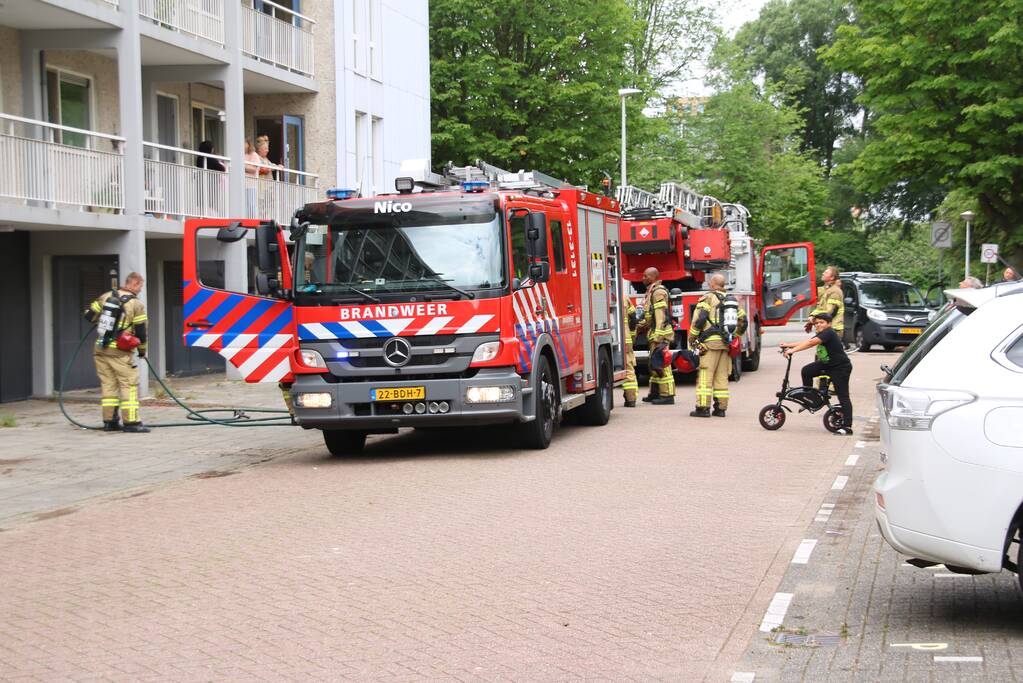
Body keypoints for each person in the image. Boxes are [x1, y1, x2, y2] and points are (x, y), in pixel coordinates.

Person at [84, 272, 150, 433]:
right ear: (134, 283)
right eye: (140, 286)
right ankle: (132, 422)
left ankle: (110, 422)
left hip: (100, 348)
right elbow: (141, 332)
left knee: (108, 385)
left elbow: (89, 316)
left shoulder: (106, 296)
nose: (140, 289)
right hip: (120, 351)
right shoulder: (136, 304)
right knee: (129, 384)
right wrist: (142, 352)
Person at [779, 312, 854, 435]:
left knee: (843, 396)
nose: (818, 325)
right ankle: (809, 398)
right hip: (828, 364)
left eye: (822, 323)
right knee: (807, 371)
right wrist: (787, 345)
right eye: (817, 323)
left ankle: (847, 426)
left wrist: (792, 350)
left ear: (829, 324)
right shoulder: (822, 333)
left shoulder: (829, 333)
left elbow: (810, 344)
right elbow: (809, 341)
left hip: (840, 368)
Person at [688, 272, 747, 418]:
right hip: (725, 344)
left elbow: (699, 319)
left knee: (705, 376)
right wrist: (735, 336)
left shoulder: (708, 298)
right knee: (721, 377)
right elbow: (743, 321)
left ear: (713, 284)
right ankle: (720, 409)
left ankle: (703, 408)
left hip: (709, 344)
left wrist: (692, 337)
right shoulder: (731, 301)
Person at [636, 267, 675, 405]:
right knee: (654, 364)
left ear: (652, 277)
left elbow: (660, 315)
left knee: (663, 364)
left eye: (645, 276)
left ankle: (667, 395)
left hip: (661, 335)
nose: (643, 278)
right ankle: (655, 393)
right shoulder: (651, 291)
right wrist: (639, 326)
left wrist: (658, 336)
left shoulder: (658, 292)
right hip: (654, 333)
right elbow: (650, 315)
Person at [807, 265, 845, 347]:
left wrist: (814, 319)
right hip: (825, 329)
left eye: (826, 272)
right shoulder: (825, 290)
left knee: (828, 357)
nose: (823, 273)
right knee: (822, 355)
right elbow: (819, 308)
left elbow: (829, 312)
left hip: (833, 329)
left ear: (832, 278)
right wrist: (812, 317)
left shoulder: (835, 291)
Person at [621, 299, 639, 407]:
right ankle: (631, 399)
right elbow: (633, 319)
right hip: (626, 339)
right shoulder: (624, 298)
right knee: (628, 369)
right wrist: (632, 335)